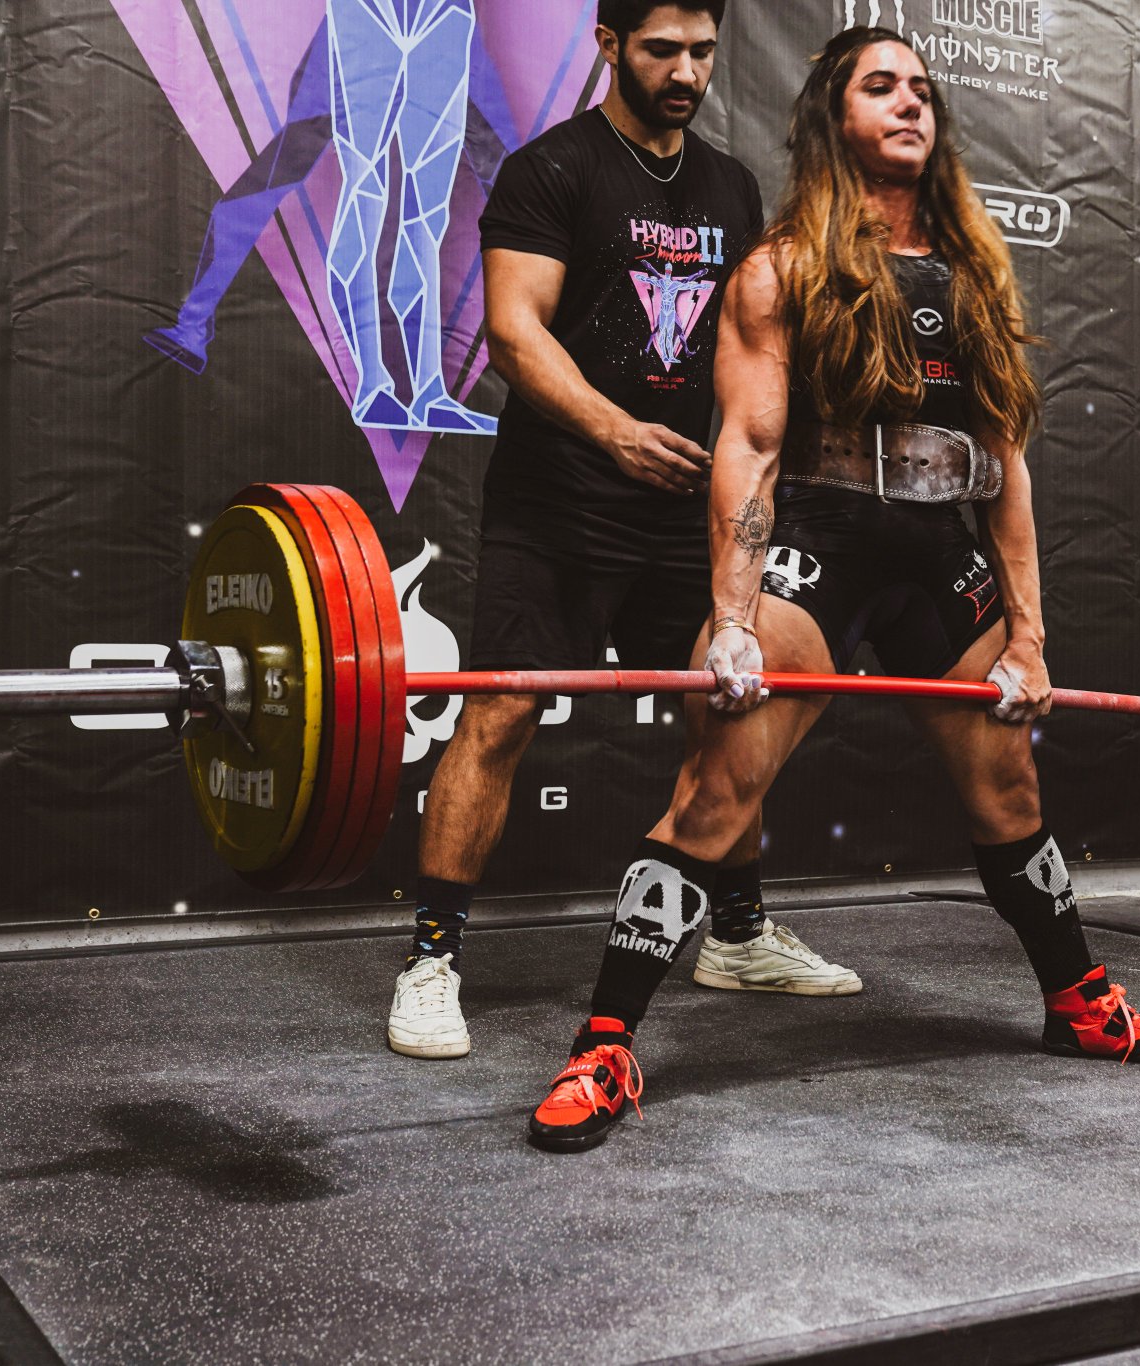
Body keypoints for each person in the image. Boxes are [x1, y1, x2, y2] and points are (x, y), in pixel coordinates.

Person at [523, 26, 1140, 1153]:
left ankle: (1079, 1003)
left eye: (922, 91)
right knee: (715, 787)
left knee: (1010, 798)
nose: (909, 105)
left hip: (944, 552)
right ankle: (604, 1044)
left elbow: (1005, 464)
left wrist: (1029, 639)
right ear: (830, 117)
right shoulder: (779, 268)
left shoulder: (971, 268)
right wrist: (732, 621)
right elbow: (746, 445)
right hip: (821, 539)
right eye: (879, 87)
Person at [386, 0, 860, 1062]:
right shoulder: (552, 171)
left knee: (726, 718)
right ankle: (430, 959)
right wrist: (614, 432)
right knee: (500, 718)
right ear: (607, 46)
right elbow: (512, 330)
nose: (684, 70)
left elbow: (757, 352)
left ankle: (732, 934)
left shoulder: (730, 188)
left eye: (700, 51)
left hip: (679, 516)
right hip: (555, 506)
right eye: (660, 50)